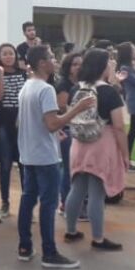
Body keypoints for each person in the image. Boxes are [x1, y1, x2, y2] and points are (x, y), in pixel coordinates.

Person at [16, 44, 93, 269]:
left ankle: (24, 246)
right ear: (42, 63)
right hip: (45, 156)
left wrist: (53, 128)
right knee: (48, 204)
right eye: (51, 57)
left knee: (28, 198)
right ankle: (49, 252)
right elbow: (52, 123)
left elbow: (33, 121)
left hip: (28, 153)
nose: (55, 61)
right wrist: (76, 109)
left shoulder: (27, 86)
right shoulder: (46, 89)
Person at [64, 48, 128, 251]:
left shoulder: (77, 88)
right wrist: (125, 154)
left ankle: (71, 230)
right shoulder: (108, 91)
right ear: (103, 66)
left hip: (79, 143)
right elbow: (118, 126)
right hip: (101, 143)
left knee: (77, 188)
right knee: (96, 193)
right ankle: (98, 238)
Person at [0, 43, 25, 218]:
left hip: (23, 124)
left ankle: (26, 204)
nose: (8, 56)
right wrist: (1, 74)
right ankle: (5, 202)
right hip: (4, 123)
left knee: (24, 164)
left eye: (11, 53)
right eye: (4, 54)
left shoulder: (24, 74)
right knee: (5, 165)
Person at [55, 52, 82, 213]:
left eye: (81, 64)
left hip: (78, 127)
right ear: (68, 67)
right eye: (75, 64)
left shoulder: (81, 83)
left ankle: (74, 200)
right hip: (66, 128)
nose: (79, 67)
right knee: (67, 166)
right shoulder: (64, 84)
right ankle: (65, 201)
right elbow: (63, 106)